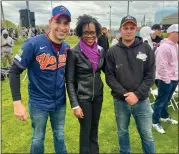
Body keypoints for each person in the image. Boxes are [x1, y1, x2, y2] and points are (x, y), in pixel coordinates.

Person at [9, 5, 71, 154]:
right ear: (50, 22)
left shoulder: (66, 47)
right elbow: (14, 71)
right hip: (39, 103)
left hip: (60, 102)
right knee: (38, 138)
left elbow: (69, 76)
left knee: (60, 135)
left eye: (66, 23)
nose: (62, 27)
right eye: (58, 22)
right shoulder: (33, 44)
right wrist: (17, 102)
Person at [105, 15, 155, 154]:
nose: (129, 31)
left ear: (136, 29)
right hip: (121, 101)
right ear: (120, 29)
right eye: (125, 28)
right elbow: (109, 76)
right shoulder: (112, 51)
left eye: (132, 28)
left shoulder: (146, 48)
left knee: (147, 134)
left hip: (142, 101)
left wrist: (137, 94)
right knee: (122, 132)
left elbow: (150, 75)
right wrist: (125, 94)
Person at [65, 14, 104, 154]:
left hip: (98, 96)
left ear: (97, 32)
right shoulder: (74, 52)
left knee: (95, 128)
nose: (89, 35)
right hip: (83, 98)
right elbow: (69, 81)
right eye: (86, 32)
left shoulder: (100, 51)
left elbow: (106, 72)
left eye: (92, 32)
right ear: (80, 33)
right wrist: (75, 105)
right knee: (86, 130)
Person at [152, 24, 178, 134]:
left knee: (167, 99)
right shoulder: (164, 47)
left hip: (175, 78)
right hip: (165, 79)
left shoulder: (176, 45)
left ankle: (164, 115)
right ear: (171, 33)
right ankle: (155, 121)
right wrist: (166, 80)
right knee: (161, 101)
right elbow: (161, 66)